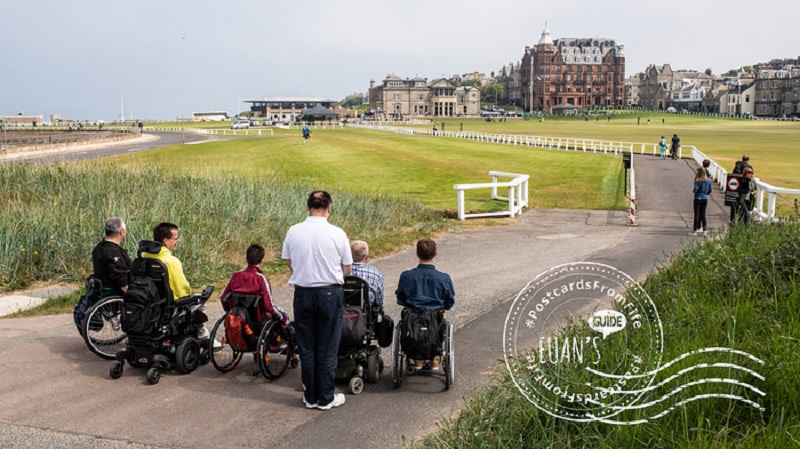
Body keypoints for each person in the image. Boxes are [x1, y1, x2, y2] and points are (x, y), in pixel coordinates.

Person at [282, 191, 353, 411]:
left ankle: (311, 395)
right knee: (327, 346)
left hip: (303, 292)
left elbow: (290, 263)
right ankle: (326, 395)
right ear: (329, 207)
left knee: (307, 345)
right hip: (329, 292)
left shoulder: (294, 231)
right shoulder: (337, 233)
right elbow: (348, 268)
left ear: (308, 206)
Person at [143, 222, 209, 340]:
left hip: (149, 305)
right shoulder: (171, 261)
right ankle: (203, 336)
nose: (177, 241)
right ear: (165, 240)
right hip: (170, 309)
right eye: (175, 238)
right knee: (200, 300)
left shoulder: (144, 258)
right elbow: (182, 291)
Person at [395, 238, 455, 368]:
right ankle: (434, 356)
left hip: (412, 316)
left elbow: (400, 298)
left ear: (417, 253)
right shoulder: (443, 278)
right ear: (436, 253)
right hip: (434, 315)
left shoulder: (406, 276)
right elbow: (450, 301)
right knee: (440, 319)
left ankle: (417, 358)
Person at [219, 244, 289, 326]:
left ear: (246, 259)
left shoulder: (235, 276)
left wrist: (230, 311)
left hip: (238, 317)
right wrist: (283, 318)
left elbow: (224, 298)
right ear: (262, 261)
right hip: (258, 319)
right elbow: (269, 306)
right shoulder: (261, 279)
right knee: (282, 312)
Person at [91, 217, 131, 297]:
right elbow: (120, 278)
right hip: (114, 291)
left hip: (102, 289)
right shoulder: (113, 252)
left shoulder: (99, 248)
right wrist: (132, 295)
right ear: (121, 231)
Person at [350, 240, 384, 308]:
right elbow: (379, 300)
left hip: (343, 310)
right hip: (366, 310)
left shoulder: (340, 271)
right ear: (367, 257)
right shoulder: (375, 273)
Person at [690, 167, 713, 236]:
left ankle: (694, 231)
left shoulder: (698, 181)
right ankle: (705, 230)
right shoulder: (708, 180)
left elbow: (695, 190)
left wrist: (695, 190)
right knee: (703, 214)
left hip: (698, 198)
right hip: (705, 198)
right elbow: (710, 190)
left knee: (697, 214)